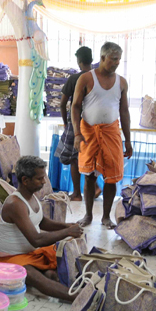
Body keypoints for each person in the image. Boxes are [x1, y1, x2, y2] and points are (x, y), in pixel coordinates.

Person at [0, 156, 83, 301]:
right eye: (40, 178)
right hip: (11, 259)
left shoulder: (32, 196)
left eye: (44, 177)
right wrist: (67, 232)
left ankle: (50, 274)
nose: (44, 182)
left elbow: (42, 222)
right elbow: (36, 239)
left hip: (32, 253)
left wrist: (67, 226)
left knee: (61, 262)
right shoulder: (15, 204)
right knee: (41, 281)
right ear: (25, 180)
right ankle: (82, 298)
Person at [71, 42, 133, 228]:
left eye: (119, 59)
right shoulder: (86, 78)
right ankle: (88, 215)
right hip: (89, 133)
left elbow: (124, 112)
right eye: (113, 59)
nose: (117, 63)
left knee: (111, 177)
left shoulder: (122, 82)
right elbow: (75, 106)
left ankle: (106, 217)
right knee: (89, 176)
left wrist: (128, 140)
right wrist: (76, 133)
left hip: (111, 133)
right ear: (103, 58)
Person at [55, 46, 99, 201]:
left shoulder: (74, 79)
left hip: (77, 123)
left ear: (79, 61)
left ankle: (77, 194)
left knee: (74, 158)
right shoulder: (98, 78)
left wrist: (66, 123)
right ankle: (95, 187)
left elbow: (62, 104)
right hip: (94, 123)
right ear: (91, 60)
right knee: (89, 156)